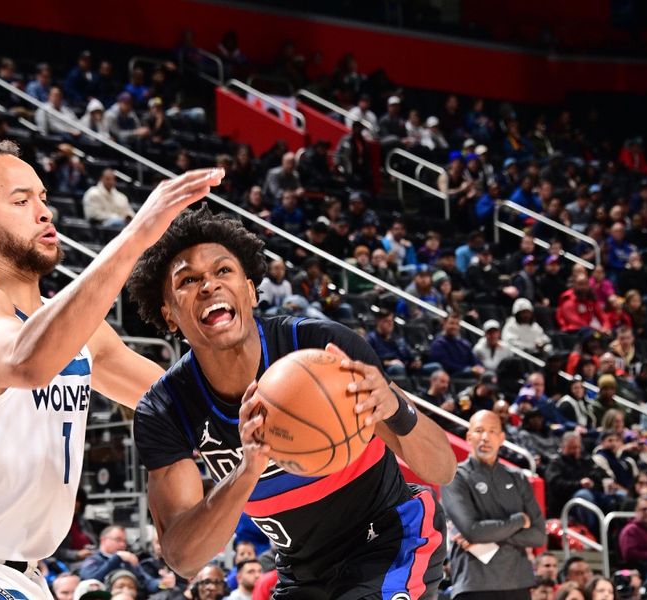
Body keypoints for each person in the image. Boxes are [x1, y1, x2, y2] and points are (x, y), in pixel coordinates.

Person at [0, 141, 224, 599]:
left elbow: (175, 399)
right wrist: (138, 234)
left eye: (42, 198)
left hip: (23, 576)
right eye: (21, 201)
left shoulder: (80, 331)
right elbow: (27, 362)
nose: (44, 212)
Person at [129, 206, 456, 599]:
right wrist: (247, 470)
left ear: (250, 290)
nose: (208, 286)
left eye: (223, 271)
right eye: (188, 280)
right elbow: (183, 559)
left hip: (391, 539)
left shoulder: (318, 346)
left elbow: (442, 469)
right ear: (168, 315)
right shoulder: (165, 407)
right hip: (302, 572)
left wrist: (395, 409)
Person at [442, 410, 546, 600]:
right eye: (479, 430)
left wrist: (490, 534)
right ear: (468, 437)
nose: (485, 437)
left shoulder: (519, 478)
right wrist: (519, 521)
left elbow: (539, 535)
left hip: (518, 584)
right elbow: (473, 531)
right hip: (473, 584)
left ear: (501, 438)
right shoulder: (454, 477)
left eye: (492, 431)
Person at [428, 312, 485, 376]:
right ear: (444, 324)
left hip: (466, 373)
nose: (454, 327)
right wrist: (470, 369)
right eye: (451, 323)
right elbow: (446, 365)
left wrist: (479, 367)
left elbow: (474, 360)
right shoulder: (438, 343)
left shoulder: (464, 343)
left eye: (457, 324)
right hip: (450, 376)